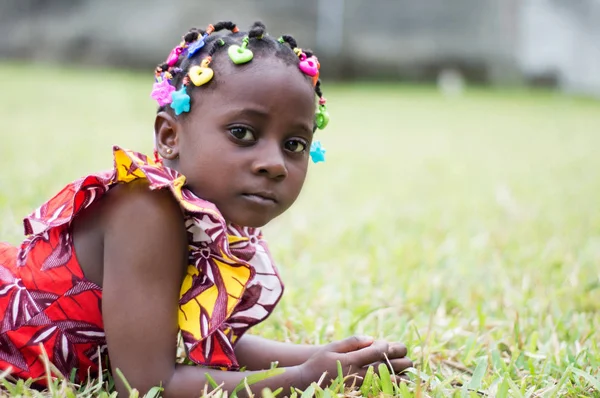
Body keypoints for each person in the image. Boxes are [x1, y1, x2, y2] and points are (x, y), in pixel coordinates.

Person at [0, 21, 412, 397]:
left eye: (295, 145)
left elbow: (196, 336)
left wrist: (323, 358)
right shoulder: (146, 210)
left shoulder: (200, 214)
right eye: (242, 133)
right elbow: (146, 386)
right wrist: (302, 379)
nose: (274, 163)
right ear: (169, 136)